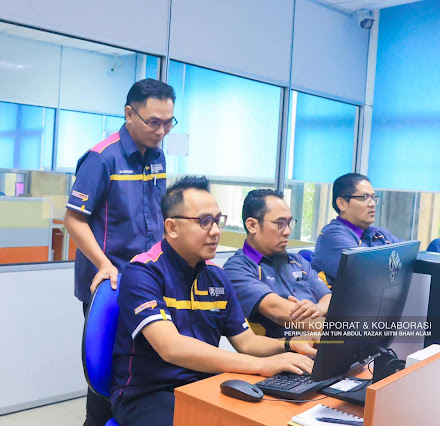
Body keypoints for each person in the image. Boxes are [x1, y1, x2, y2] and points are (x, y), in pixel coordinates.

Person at [111, 177, 317, 426]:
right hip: (149, 393)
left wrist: (289, 344)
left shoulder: (216, 276)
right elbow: (171, 347)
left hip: (206, 383)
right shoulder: (143, 272)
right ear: (172, 227)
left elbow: (247, 341)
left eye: (218, 221)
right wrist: (262, 365)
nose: (216, 231)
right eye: (204, 221)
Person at [64, 78, 175, 425]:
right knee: (108, 375)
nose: (161, 131)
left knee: (140, 367)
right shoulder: (102, 158)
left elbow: (157, 216)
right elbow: (74, 219)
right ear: (129, 114)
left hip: (147, 281)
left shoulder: (158, 157)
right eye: (153, 122)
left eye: (168, 123)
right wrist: (103, 264)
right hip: (110, 282)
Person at [223, 190, 331, 338]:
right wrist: (348, 331)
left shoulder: (298, 261)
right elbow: (282, 312)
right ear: (252, 225)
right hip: (285, 350)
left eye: (289, 223)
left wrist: (319, 308)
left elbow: (328, 297)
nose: (287, 231)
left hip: (324, 342)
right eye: (280, 223)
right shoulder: (237, 269)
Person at [312, 173, 401, 286]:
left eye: (373, 198)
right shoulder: (332, 236)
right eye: (364, 198)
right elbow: (368, 272)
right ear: (341, 203)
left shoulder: (380, 234)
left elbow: (412, 256)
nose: (372, 204)